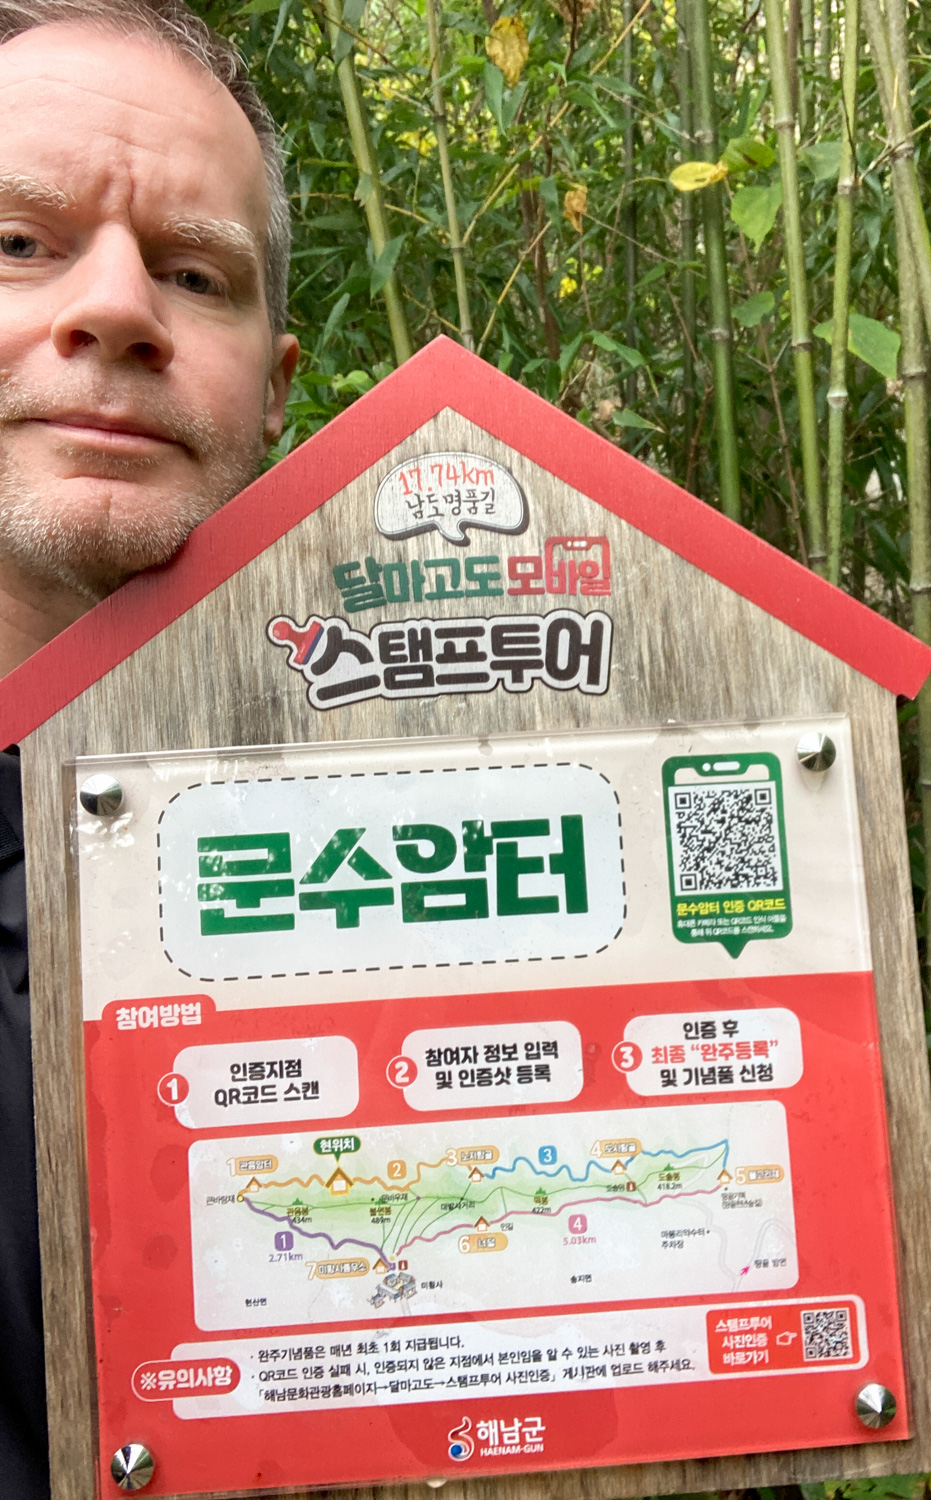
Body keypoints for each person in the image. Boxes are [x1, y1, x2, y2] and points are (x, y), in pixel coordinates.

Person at [0, 2, 299, 1489]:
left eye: (195, 273)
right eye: (18, 243)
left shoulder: (417, 832)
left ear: (279, 384)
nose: (117, 309)